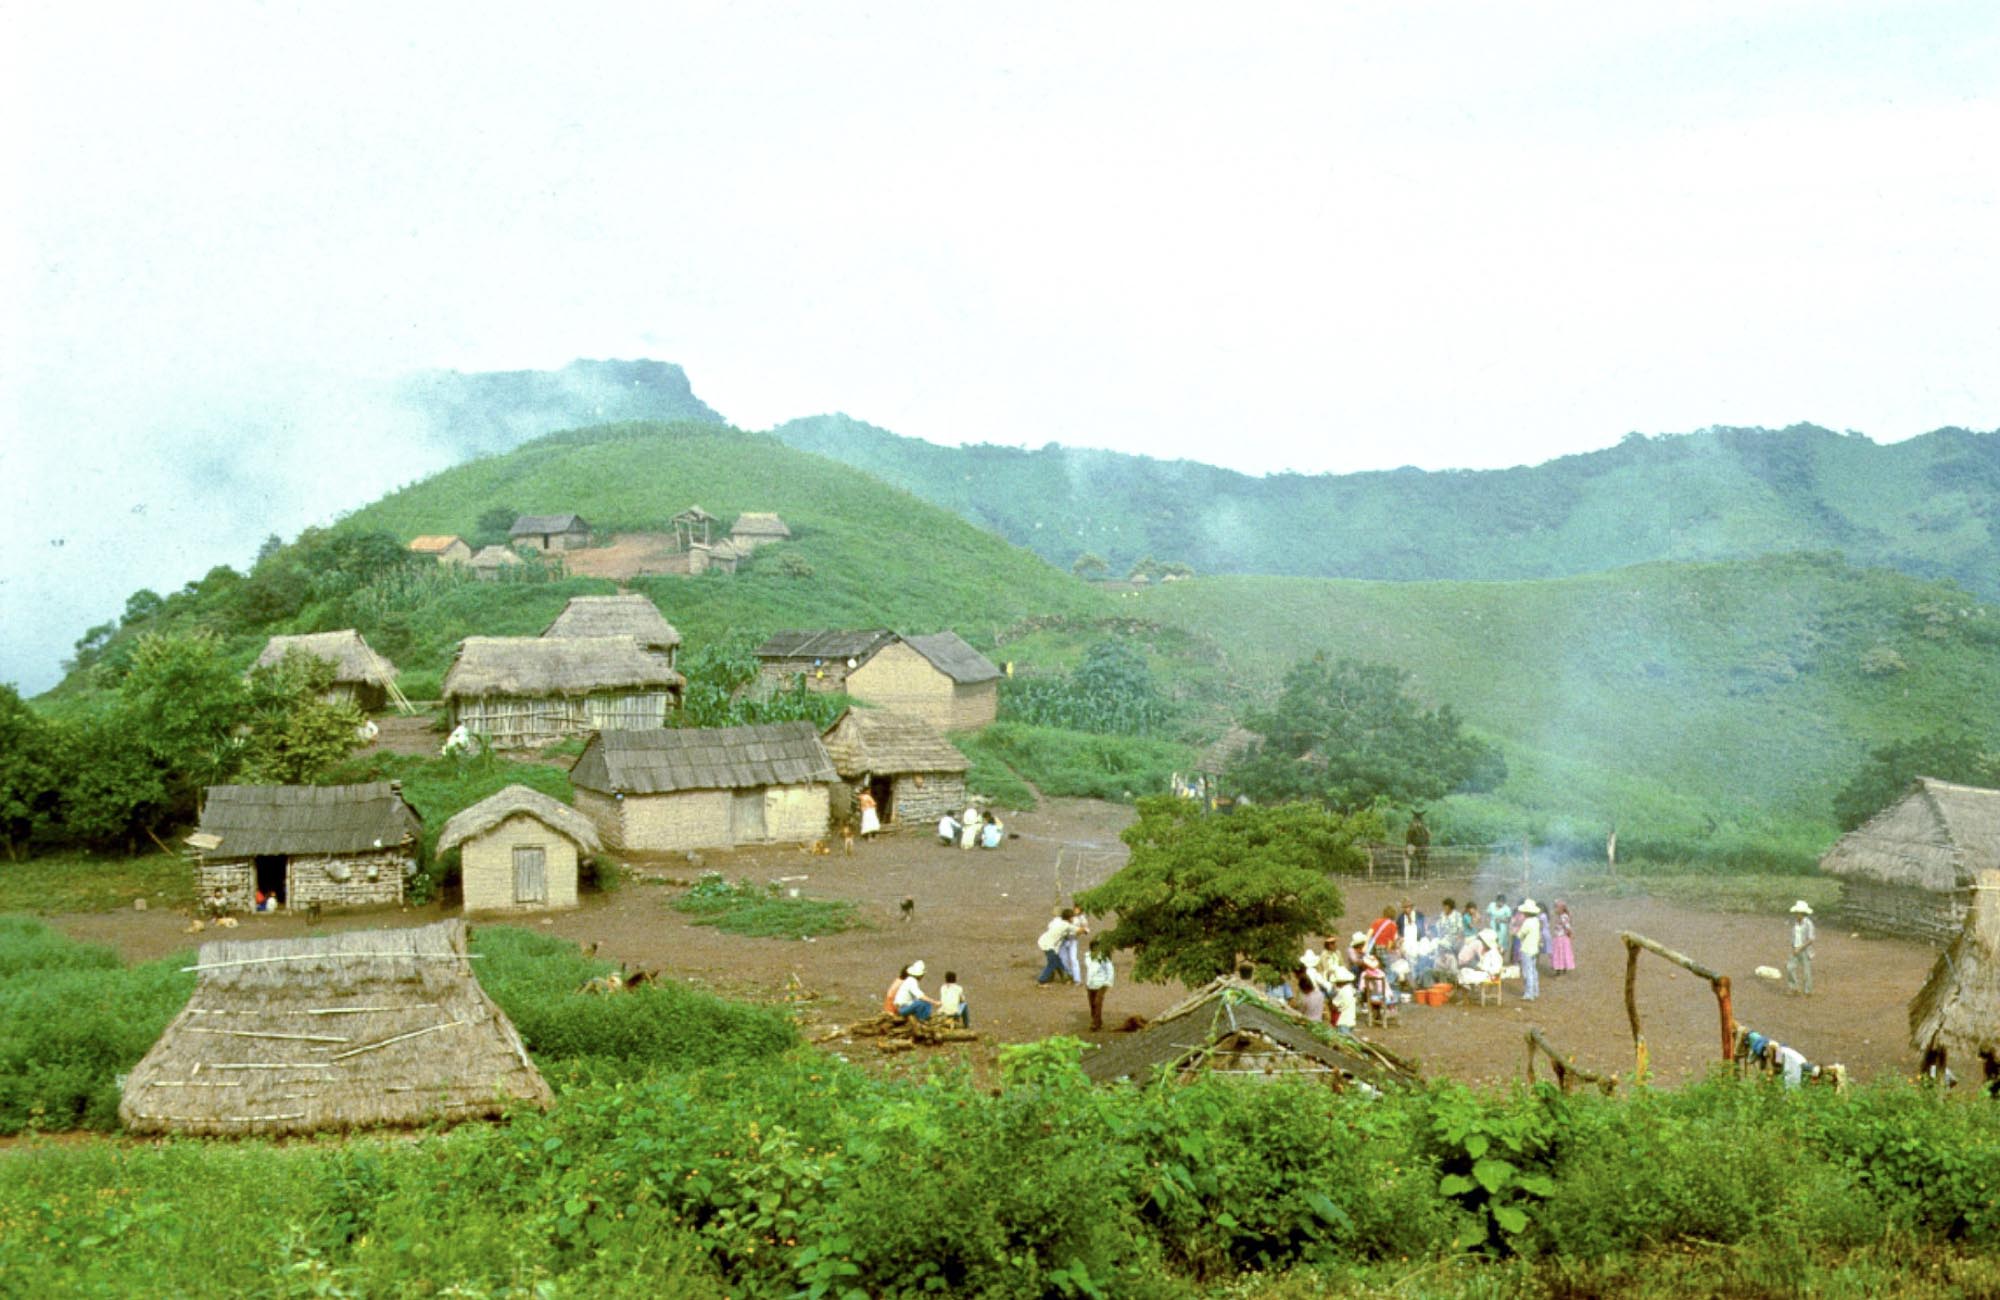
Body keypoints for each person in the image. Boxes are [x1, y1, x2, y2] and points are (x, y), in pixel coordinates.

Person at [1036, 909, 1077, 984]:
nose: (1073, 919)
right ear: (1069, 918)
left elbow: (1052, 923)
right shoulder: (1067, 925)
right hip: (1048, 945)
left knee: (1057, 961)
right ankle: (1041, 980)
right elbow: (1079, 930)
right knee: (1052, 963)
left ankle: (1066, 978)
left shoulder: (1057, 921)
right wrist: (1086, 929)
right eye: (1072, 917)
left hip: (1045, 941)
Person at [1786, 900, 1816, 996]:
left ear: (1802, 913)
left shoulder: (1808, 924)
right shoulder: (1795, 924)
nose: (1796, 915)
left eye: (1798, 913)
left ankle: (1808, 990)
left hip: (1805, 950)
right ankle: (1794, 988)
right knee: (1789, 968)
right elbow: (1794, 936)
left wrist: (1800, 948)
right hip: (1795, 948)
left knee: (1806, 971)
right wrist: (1794, 947)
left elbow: (1811, 939)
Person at [1516, 899, 1544, 1001]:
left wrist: (1516, 932)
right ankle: (1535, 991)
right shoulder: (1536, 921)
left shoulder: (1527, 922)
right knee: (1533, 971)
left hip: (1527, 949)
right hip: (1535, 949)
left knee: (1527, 972)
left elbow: (1520, 934)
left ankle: (1529, 994)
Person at [1084, 943, 1115, 1031]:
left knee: (1098, 1002)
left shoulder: (1104, 958)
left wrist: (1108, 982)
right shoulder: (1088, 957)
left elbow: (1110, 970)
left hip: (1102, 983)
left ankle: (1095, 1023)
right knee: (1092, 1003)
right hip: (1091, 983)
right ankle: (1097, 1019)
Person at [1329, 965, 1359, 1035]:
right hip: (1351, 1019)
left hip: (1343, 1020)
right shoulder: (1351, 990)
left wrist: (1330, 1000)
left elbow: (1334, 1006)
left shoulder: (1342, 992)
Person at [1548, 900, 1576, 976]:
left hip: (1561, 938)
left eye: (1556, 907)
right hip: (1560, 938)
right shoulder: (1562, 916)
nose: (1554, 909)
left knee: (1559, 954)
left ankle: (1559, 970)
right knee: (1562, 953)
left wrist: (1570, 934)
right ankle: (1562, 968)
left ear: (1561, 908)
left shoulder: (1563, 917)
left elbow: (1567, 927)